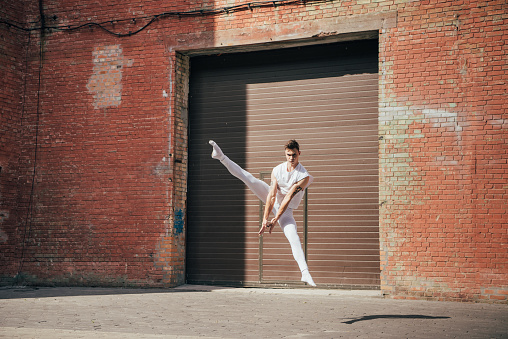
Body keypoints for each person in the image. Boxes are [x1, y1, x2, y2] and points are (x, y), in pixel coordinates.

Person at [209, 139, 316, 287]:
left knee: (293, 237)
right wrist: (265, 219)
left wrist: (275, 219)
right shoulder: (277, 170)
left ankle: (305, 272)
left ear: (299, 154)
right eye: (288, 155)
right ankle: (221, 156)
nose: (291, 158)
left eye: (294, 155)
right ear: (285, 154)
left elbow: (288, 199)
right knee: (249, 179)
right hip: (272, 199)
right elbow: (271, 196)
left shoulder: (304, 176)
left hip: (286, 210)